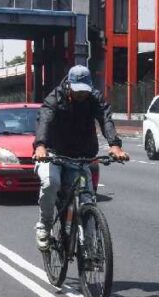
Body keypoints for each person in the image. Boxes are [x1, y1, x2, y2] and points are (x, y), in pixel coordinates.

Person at [32, 66, 129, 250]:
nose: (81, 95)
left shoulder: (94, 98)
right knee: (50, 182)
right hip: (53, 153)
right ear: (68, 85)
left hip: (80, 156)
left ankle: (91, 249)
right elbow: (44, 120)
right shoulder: (55, 98)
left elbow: (105, 119)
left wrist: (114, 145)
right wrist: (41, 146)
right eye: (77, 91)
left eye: (84, 91)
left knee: (87, 200)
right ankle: (44, 226)